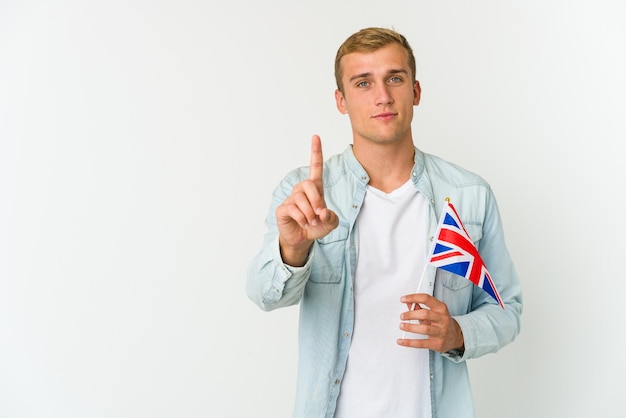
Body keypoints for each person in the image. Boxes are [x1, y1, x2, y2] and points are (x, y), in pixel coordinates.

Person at [246, 27, 522, 418]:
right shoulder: (304, 192)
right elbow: (263, 294)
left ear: (416, 91)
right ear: (341, 101)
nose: (383, 96)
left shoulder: (469, 195)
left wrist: (458, 333)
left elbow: (507, 309)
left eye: (395, 78)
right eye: (363, 82)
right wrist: (294, 248)